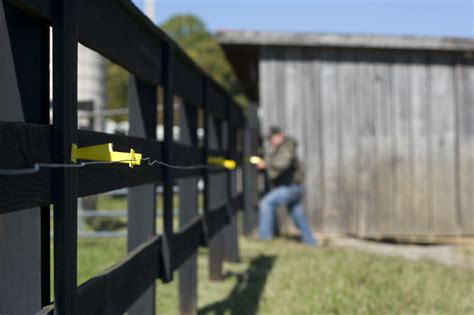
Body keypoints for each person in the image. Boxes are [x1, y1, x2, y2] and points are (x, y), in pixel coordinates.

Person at [256, 126, 317, 246]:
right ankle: (310, 241)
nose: (270, 141)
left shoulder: (288, 146)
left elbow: (283, 163)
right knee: (296, 212)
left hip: (291, 187)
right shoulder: (279, 149)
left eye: (271, 138)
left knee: (266, 203)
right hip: (293, 187)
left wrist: (266, 164)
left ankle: (265, 240)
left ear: (279, 135)